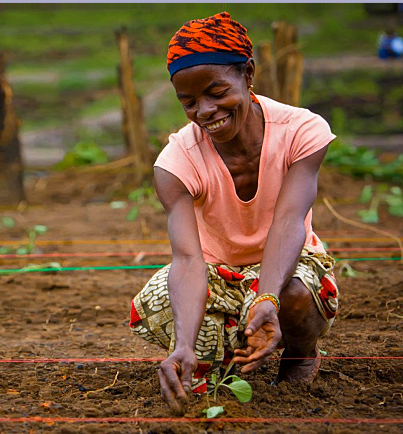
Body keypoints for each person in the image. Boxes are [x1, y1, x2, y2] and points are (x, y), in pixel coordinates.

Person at [127, 12, 340, 414]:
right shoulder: (175, 164)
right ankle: (221, 346)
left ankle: (301, 352)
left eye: (216, 91)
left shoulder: (301, 131)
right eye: (189, 102)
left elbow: (288, 221)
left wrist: (269, 298)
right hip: (215, 270)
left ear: (248, 73)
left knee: (292, 293)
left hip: (287, 260)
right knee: (188, 339)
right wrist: (185, 345)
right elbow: (188, 258)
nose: (205, 111)